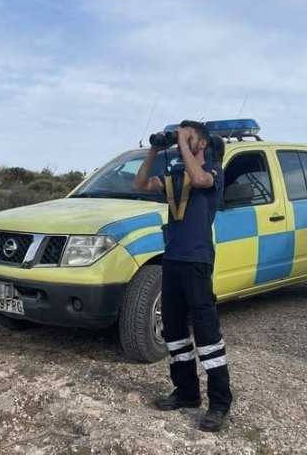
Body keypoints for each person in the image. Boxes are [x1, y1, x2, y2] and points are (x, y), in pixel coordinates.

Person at [132, 120, 232, 432]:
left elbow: (200, 178)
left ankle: (219, 403)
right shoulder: (175, 175)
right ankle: (186, 392)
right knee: (174, 330)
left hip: (197, 261)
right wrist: (154, 150)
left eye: (187, 136)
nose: (180, 140)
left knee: (206, 333)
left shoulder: (214, 171)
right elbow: (140, 185)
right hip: (172, 259)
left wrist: (184, 146)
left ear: (202, 143)